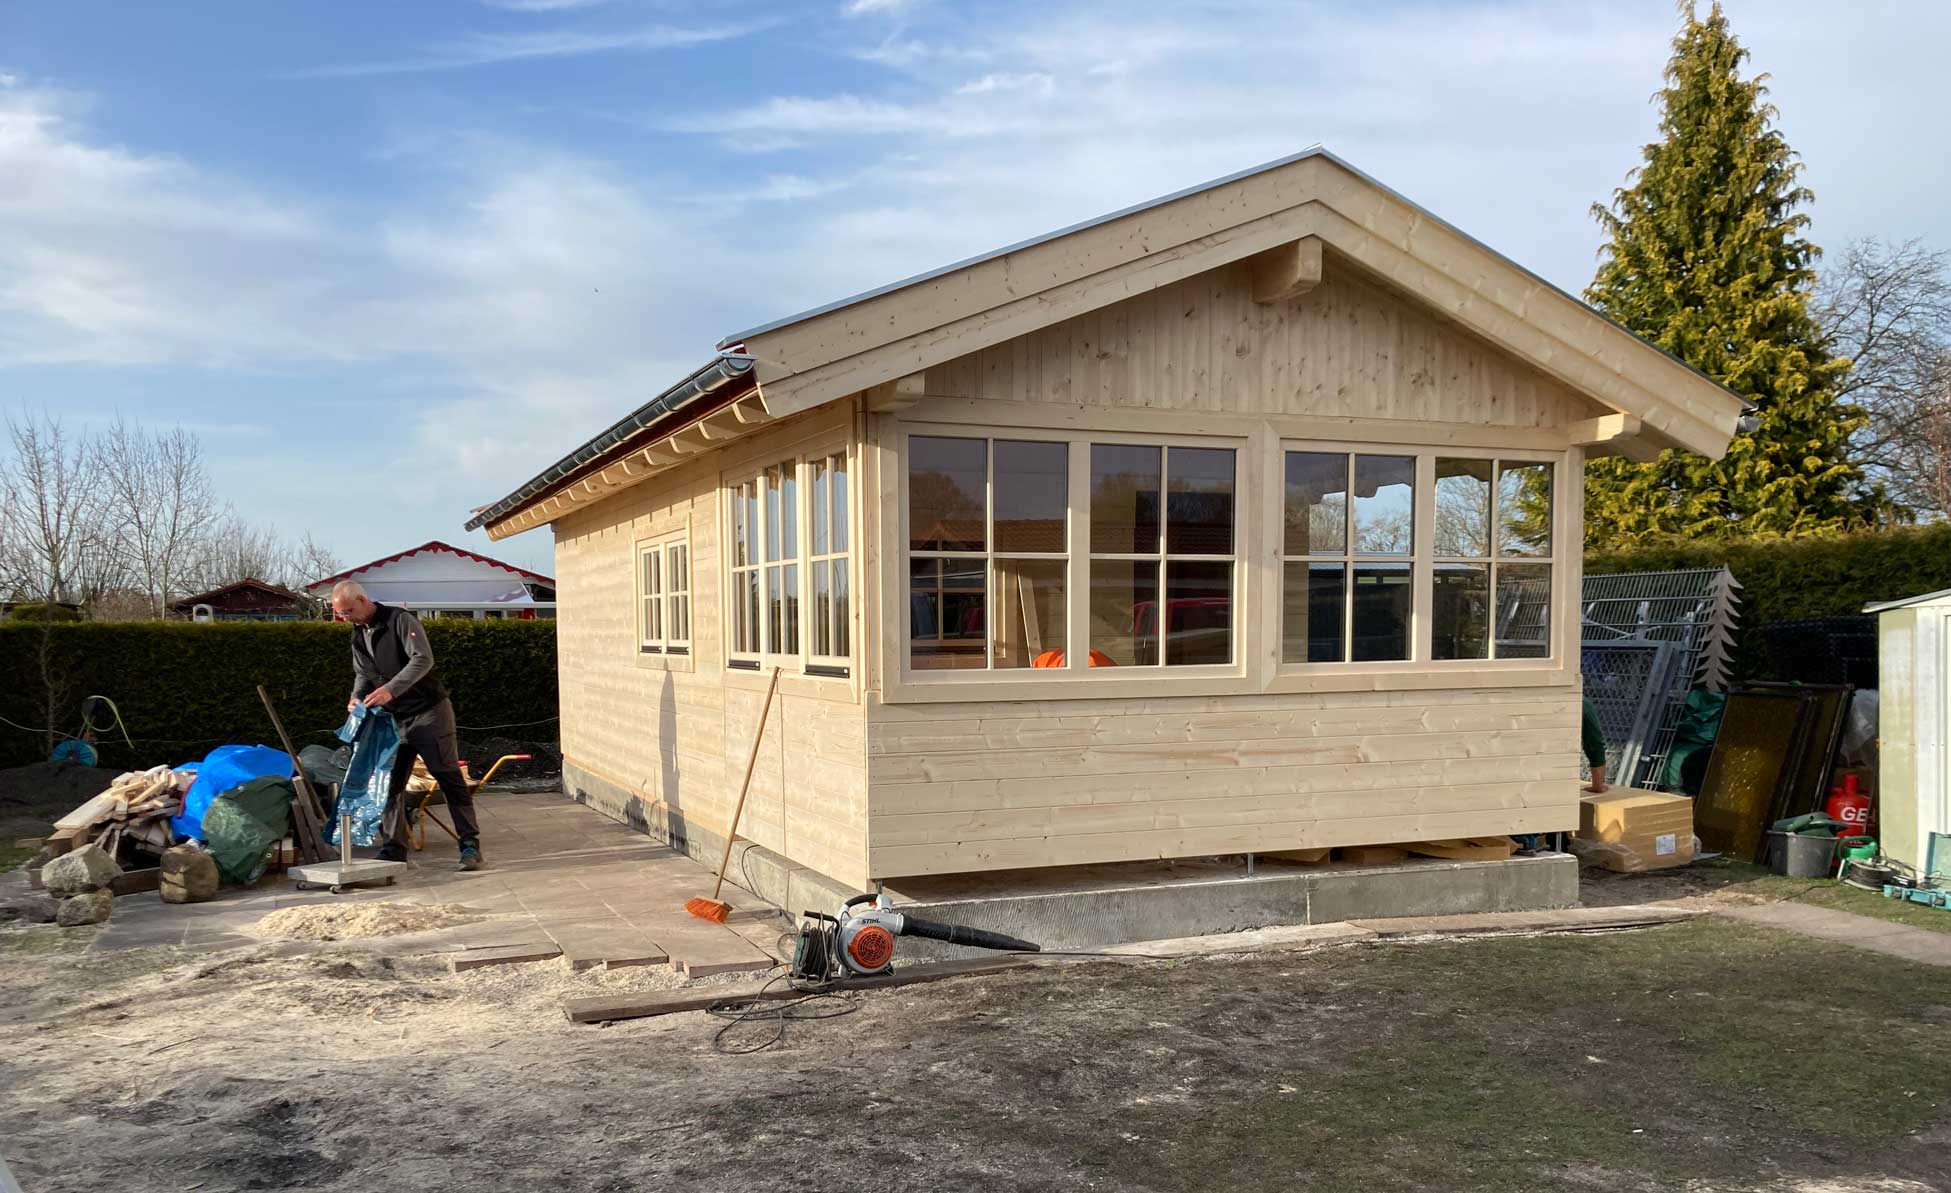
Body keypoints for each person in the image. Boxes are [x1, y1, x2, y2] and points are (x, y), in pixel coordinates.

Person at [330, 580, 483, 871]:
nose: (345, 618)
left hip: (429, 713)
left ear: (363, 600)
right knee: (389, 785)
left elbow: (423, 659)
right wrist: (356, 698)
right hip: (391, 721)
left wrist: (391, 689)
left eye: (348, 611)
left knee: (448, 778)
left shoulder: (401, 620)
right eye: (341, 613)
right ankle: (393, 850)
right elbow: (362, 674)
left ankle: (469, 846)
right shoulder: (358, 634)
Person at [1581, 695, 1609, 794]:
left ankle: (1598, 784)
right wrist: (1598, 785)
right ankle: (1598, 784)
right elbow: (1594, 743)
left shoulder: (1583, 704)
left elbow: (1594, 743)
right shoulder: (1583, 704)